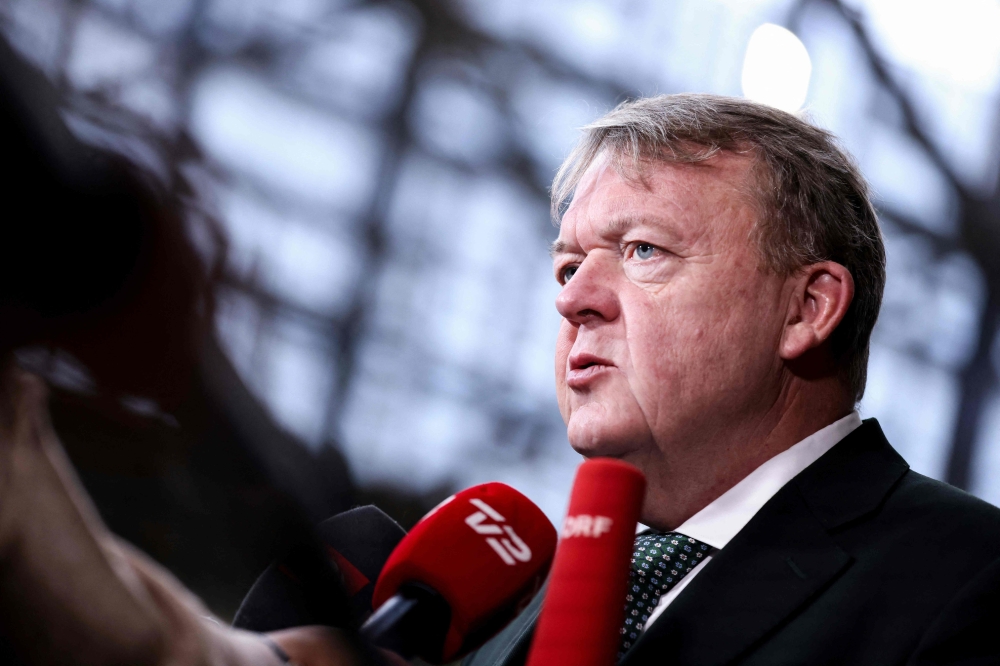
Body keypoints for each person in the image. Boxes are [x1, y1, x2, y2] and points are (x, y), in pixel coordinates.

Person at [463, 94, 1000, 666]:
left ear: (806, 309)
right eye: (569, 267)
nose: (571, 300)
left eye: (643, 250)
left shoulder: (970, 578)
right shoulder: (523, 604)